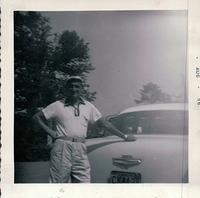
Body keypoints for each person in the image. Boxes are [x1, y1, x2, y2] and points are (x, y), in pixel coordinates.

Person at [33, 76, 136, 183]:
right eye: (71, 87)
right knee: (59, 183)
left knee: (84, 182)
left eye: (77, 87)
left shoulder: (88, 106)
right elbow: (36, 117)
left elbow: (104, 123)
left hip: (81, 147)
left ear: (82, 89)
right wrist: (51, 133)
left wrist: (124, 136)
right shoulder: (58, 105)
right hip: (62, 147)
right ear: (66, 89)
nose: (74, 89)